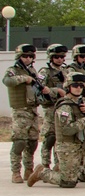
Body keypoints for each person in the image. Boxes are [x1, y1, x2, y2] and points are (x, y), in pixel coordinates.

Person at [26, 73, 85, 188]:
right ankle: (42, 172)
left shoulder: (82, 103)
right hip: (68, 146)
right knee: (68, 183)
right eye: (75, 85)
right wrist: (84, 122)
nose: (78, 88)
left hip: (83, 143)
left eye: (81, 86)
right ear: (68, 87)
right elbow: (66, 130)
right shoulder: (64, 106)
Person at [4, 44, 49, 183]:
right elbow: (7, 81)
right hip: (20, 110)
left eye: (31, 56)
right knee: (19, 142)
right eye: (25, 56)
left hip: (32, 110)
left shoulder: (32, 71)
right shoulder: (13, 70)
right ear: (19, 57)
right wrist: (23, 78)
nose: (28, 58)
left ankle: (28, 169)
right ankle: (16, 172)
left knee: (32, 142)